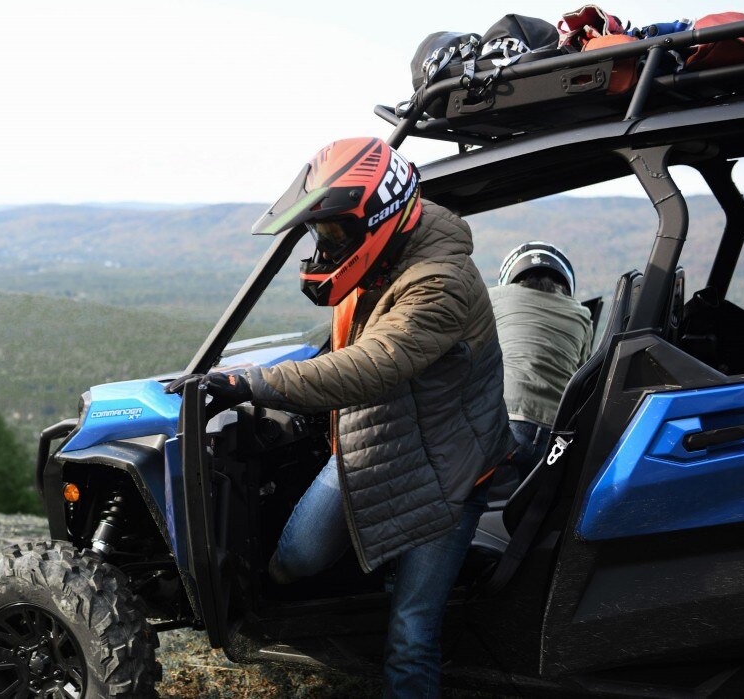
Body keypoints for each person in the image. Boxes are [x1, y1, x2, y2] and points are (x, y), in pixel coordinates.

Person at [169, 137, 513, 697]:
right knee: (296, 558)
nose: (324, 248)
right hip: (377, 441)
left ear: (377, 220)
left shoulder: (441, 283)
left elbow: (372, 363)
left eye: (333, 235)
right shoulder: (387, 252)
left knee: (411, 634)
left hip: (449, 472)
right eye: (319, 234)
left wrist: (254, 383)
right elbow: (351, 341)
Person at [489, 242, 593, 495]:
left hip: (505, 420)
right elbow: (582, 371)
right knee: (531, 506)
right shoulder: (582, 314)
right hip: (553, 432)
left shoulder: (495, 298)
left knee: (470, 500)